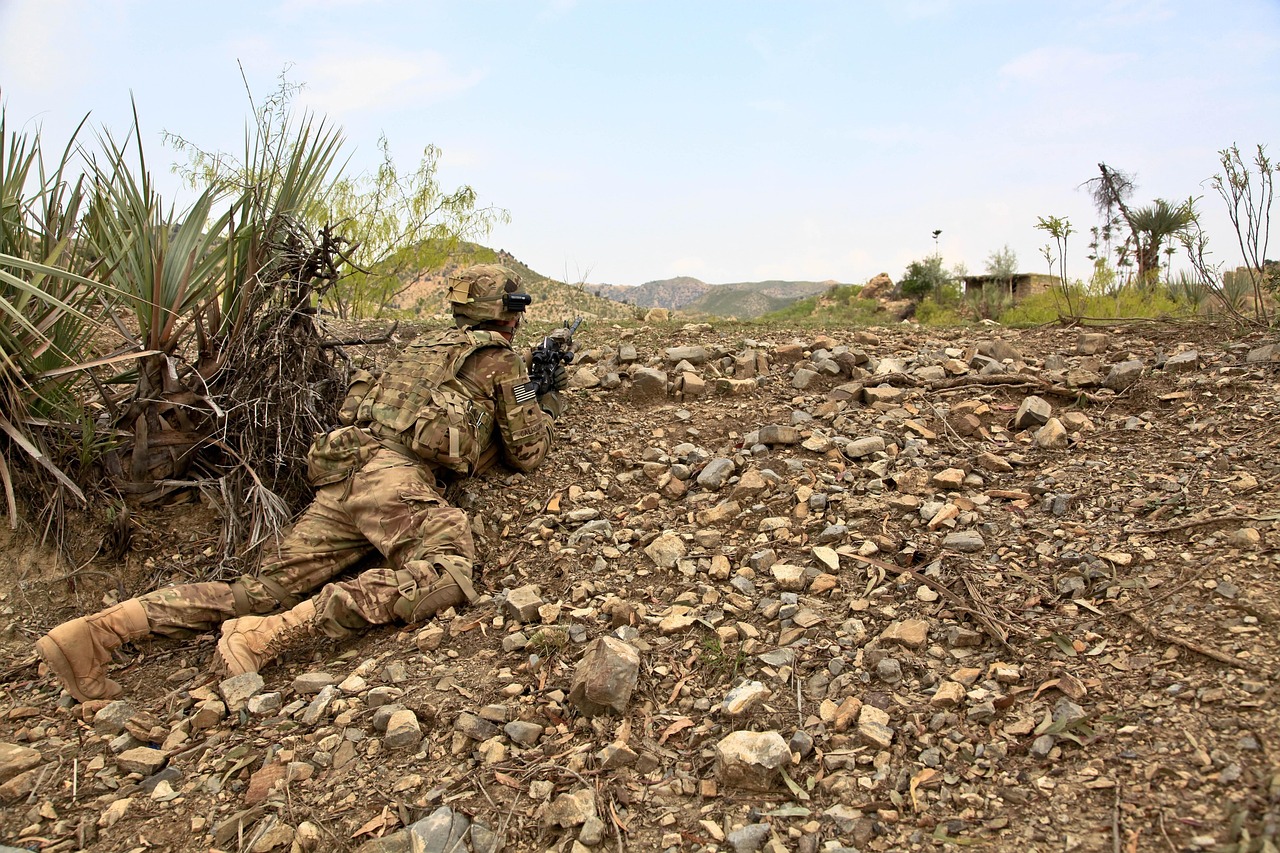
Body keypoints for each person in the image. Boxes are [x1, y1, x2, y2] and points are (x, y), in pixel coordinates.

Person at [36, 265, 563, 702]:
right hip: (394, 482)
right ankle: (268, 636)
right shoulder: (499, 359)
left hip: (346, 473)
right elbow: (527, 455)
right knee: (451, 569)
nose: (517, 319)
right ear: (500, 312)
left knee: (261, 589)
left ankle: (97, 633)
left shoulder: (420, 348)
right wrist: (542, 402)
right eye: (514, 308)